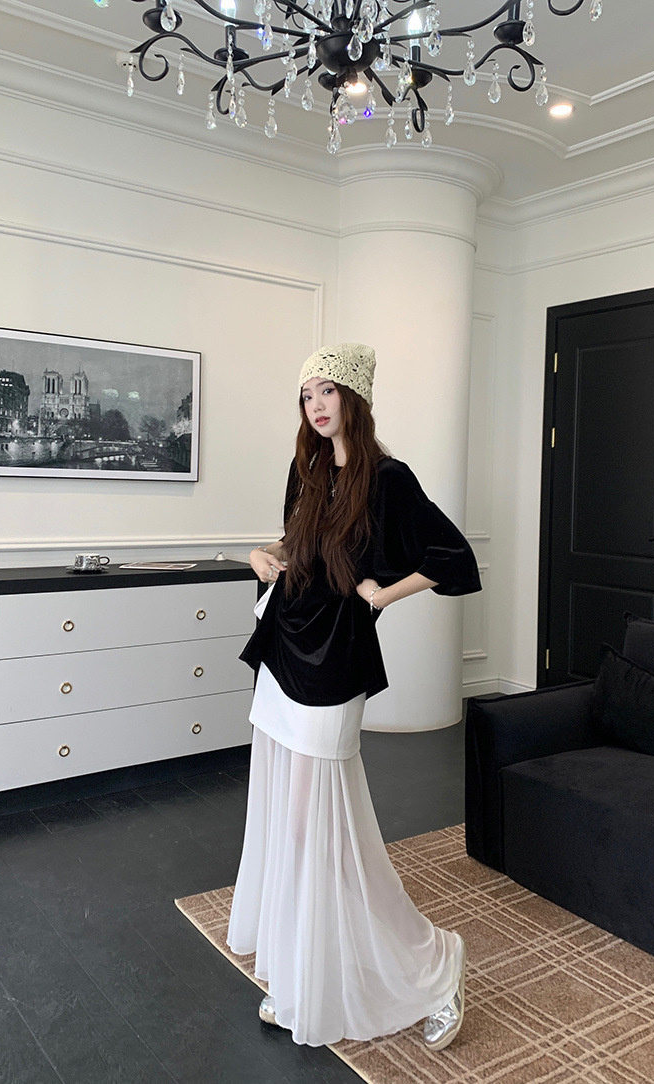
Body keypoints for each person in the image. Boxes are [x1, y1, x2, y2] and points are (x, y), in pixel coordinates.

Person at [227, 343, 481, 1050]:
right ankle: (304, 972)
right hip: (284, 650)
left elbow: (453, 558)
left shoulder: (388, 478)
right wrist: (263, 556)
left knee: (323, 833)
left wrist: (381, 596)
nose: (315, 404)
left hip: (335, 660)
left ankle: (435, 963)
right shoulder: (306, 471)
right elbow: (297, 547)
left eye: (328, 390)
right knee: (293, 828)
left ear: (354, 397)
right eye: (306, 393)